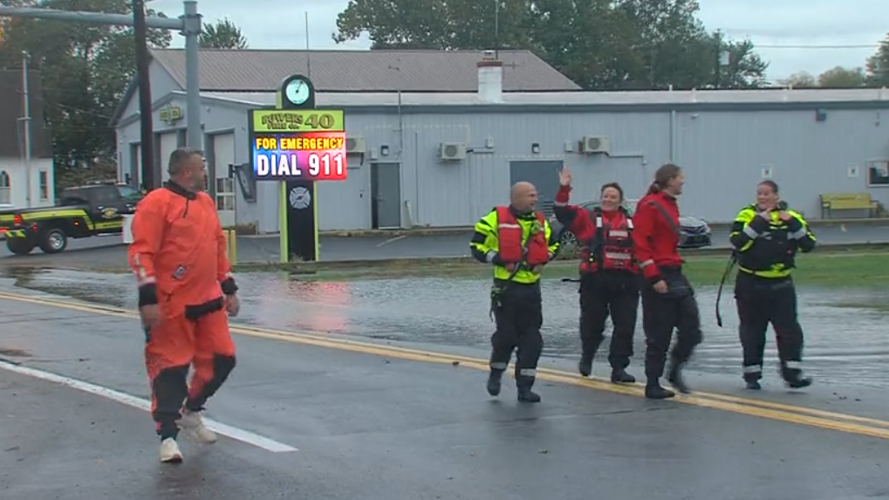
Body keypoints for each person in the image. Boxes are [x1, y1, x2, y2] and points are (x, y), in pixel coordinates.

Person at [128, 147, 241, 463]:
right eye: (202, 168)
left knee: (223, 360)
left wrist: (228, 289)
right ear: (186, 171)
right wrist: (148, 299)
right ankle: (167, 438)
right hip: (170, 304)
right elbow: (141, 253)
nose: (206, 173)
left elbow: (217, 247)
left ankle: (191, 411)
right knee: (170, 368)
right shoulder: (156, 203)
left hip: (208, 301)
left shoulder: (205, 203)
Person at [469, 182, 560, 403]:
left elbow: (553, 244)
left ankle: (525, 387)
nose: (535, 199)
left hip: (531, 290)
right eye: (530, 195)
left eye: (535, 195)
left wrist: (544, 259)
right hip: (507, 289)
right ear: (516, 198)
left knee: (532, 341)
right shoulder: (494, 220)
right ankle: (496, 373)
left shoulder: (540, 222)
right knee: (506, 337)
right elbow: (476, 247)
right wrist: (499, 258)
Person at [552, 166, 638, 383]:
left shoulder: (631, 223)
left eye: (613, 197)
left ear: (620, 201)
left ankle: (619, 367)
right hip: (595, 280)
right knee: (592, 324)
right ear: (600, 198)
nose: (608, 200)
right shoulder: (587, 218)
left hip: (625, 282)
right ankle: (587, 357)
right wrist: (564, 188)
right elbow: (561, 211)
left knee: (625, 325)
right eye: (605, 196)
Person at [729, 180, 815, 390]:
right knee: (752, 331)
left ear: (776, 196)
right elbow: (738, 241)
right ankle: (752, 373)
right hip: (751, 283)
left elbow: (808, 245)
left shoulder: (792, 217)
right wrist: (758, 224)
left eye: (767, 194)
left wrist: (792, 224)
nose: (763, 197)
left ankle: (792, 373)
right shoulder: (746, 216)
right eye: (759, 194)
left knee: (789, 331)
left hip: (781, 284)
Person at [632, 163, 703, 399]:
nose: (683, 181)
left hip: (674, 271)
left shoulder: (670, 204)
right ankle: (652, 382)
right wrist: (653, 277)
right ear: (670, 179)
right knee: (658, 332)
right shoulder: (649, 205)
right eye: (681, 177)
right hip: (659, 273)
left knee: (692, 329)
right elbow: (640, 244)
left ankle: (674, 369)